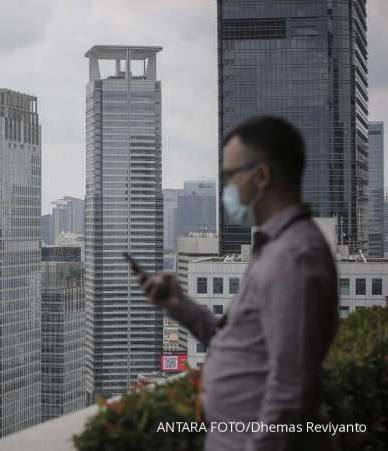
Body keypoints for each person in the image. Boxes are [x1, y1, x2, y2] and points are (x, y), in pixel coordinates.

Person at [138, 116, 339, 450]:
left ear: (261, 177)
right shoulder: (275, 249)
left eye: (230, 175)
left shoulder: (294, 257)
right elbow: (245, 344)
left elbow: (290, 392)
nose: (225, 188)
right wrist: (179, 306)